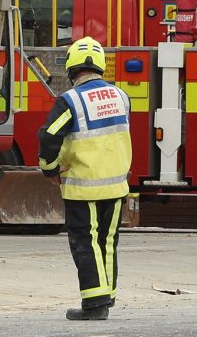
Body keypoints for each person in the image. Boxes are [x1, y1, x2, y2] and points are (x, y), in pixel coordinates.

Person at [38, 37, 133, 321]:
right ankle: (107, 296)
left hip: (83, 187)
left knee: (85, 242)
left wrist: (49, 169)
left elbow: (48, 136)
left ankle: (94, 304)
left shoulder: (70, 100)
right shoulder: (121, 96)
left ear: (71, 69)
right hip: (116, 185)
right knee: (107, 242)